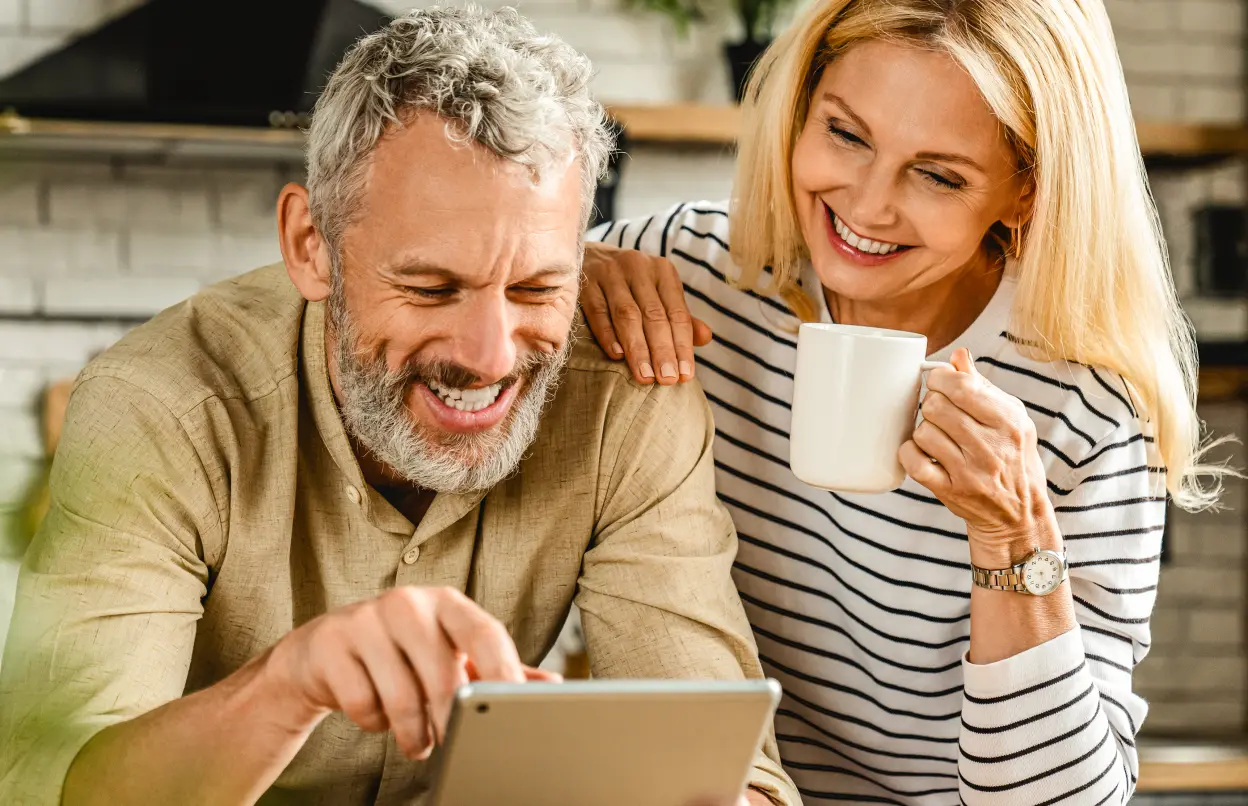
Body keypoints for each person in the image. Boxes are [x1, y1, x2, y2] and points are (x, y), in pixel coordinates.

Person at [0, 9, 796, 806]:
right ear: (311, 245)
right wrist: (287, 685)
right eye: (430, 288)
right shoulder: (160, 408)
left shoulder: (629, 395)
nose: (489, 355)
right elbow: (51, 786)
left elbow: (729, 772)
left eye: (536, 287)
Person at [579, 0, 1224, 803]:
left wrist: (1013, 536)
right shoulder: (688, 274)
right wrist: (564, 272)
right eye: (846, 135)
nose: (868, 206)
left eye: (938, 174)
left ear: (1026, 192)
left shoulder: (1084, 411)